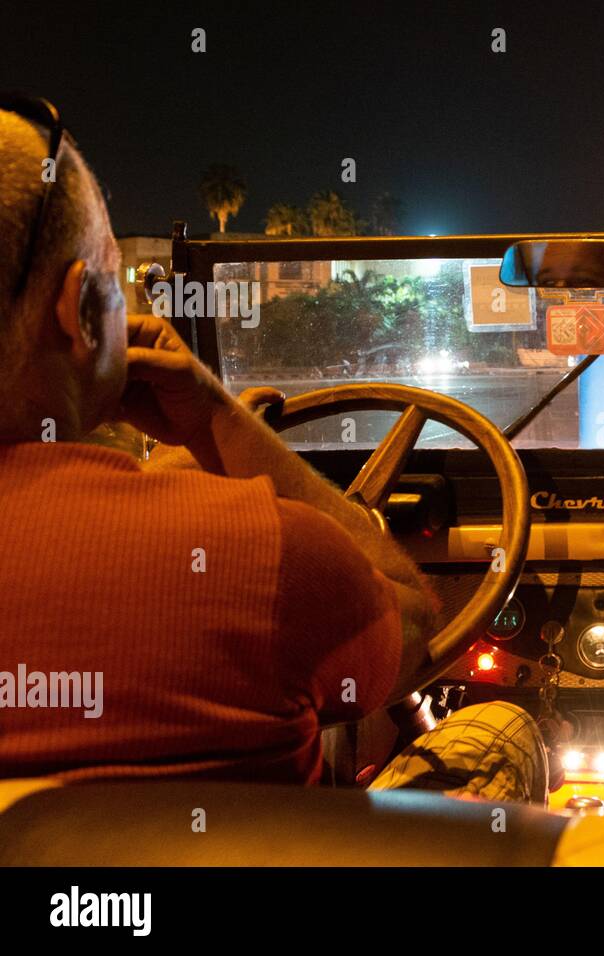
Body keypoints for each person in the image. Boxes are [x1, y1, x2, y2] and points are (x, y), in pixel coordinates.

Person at [0, 97, 546, 802]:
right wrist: (220, 425)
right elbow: (415, 618)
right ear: (78, 312)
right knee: (500, 728)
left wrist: (148, 476)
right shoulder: (256, 551)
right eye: (114, 285)